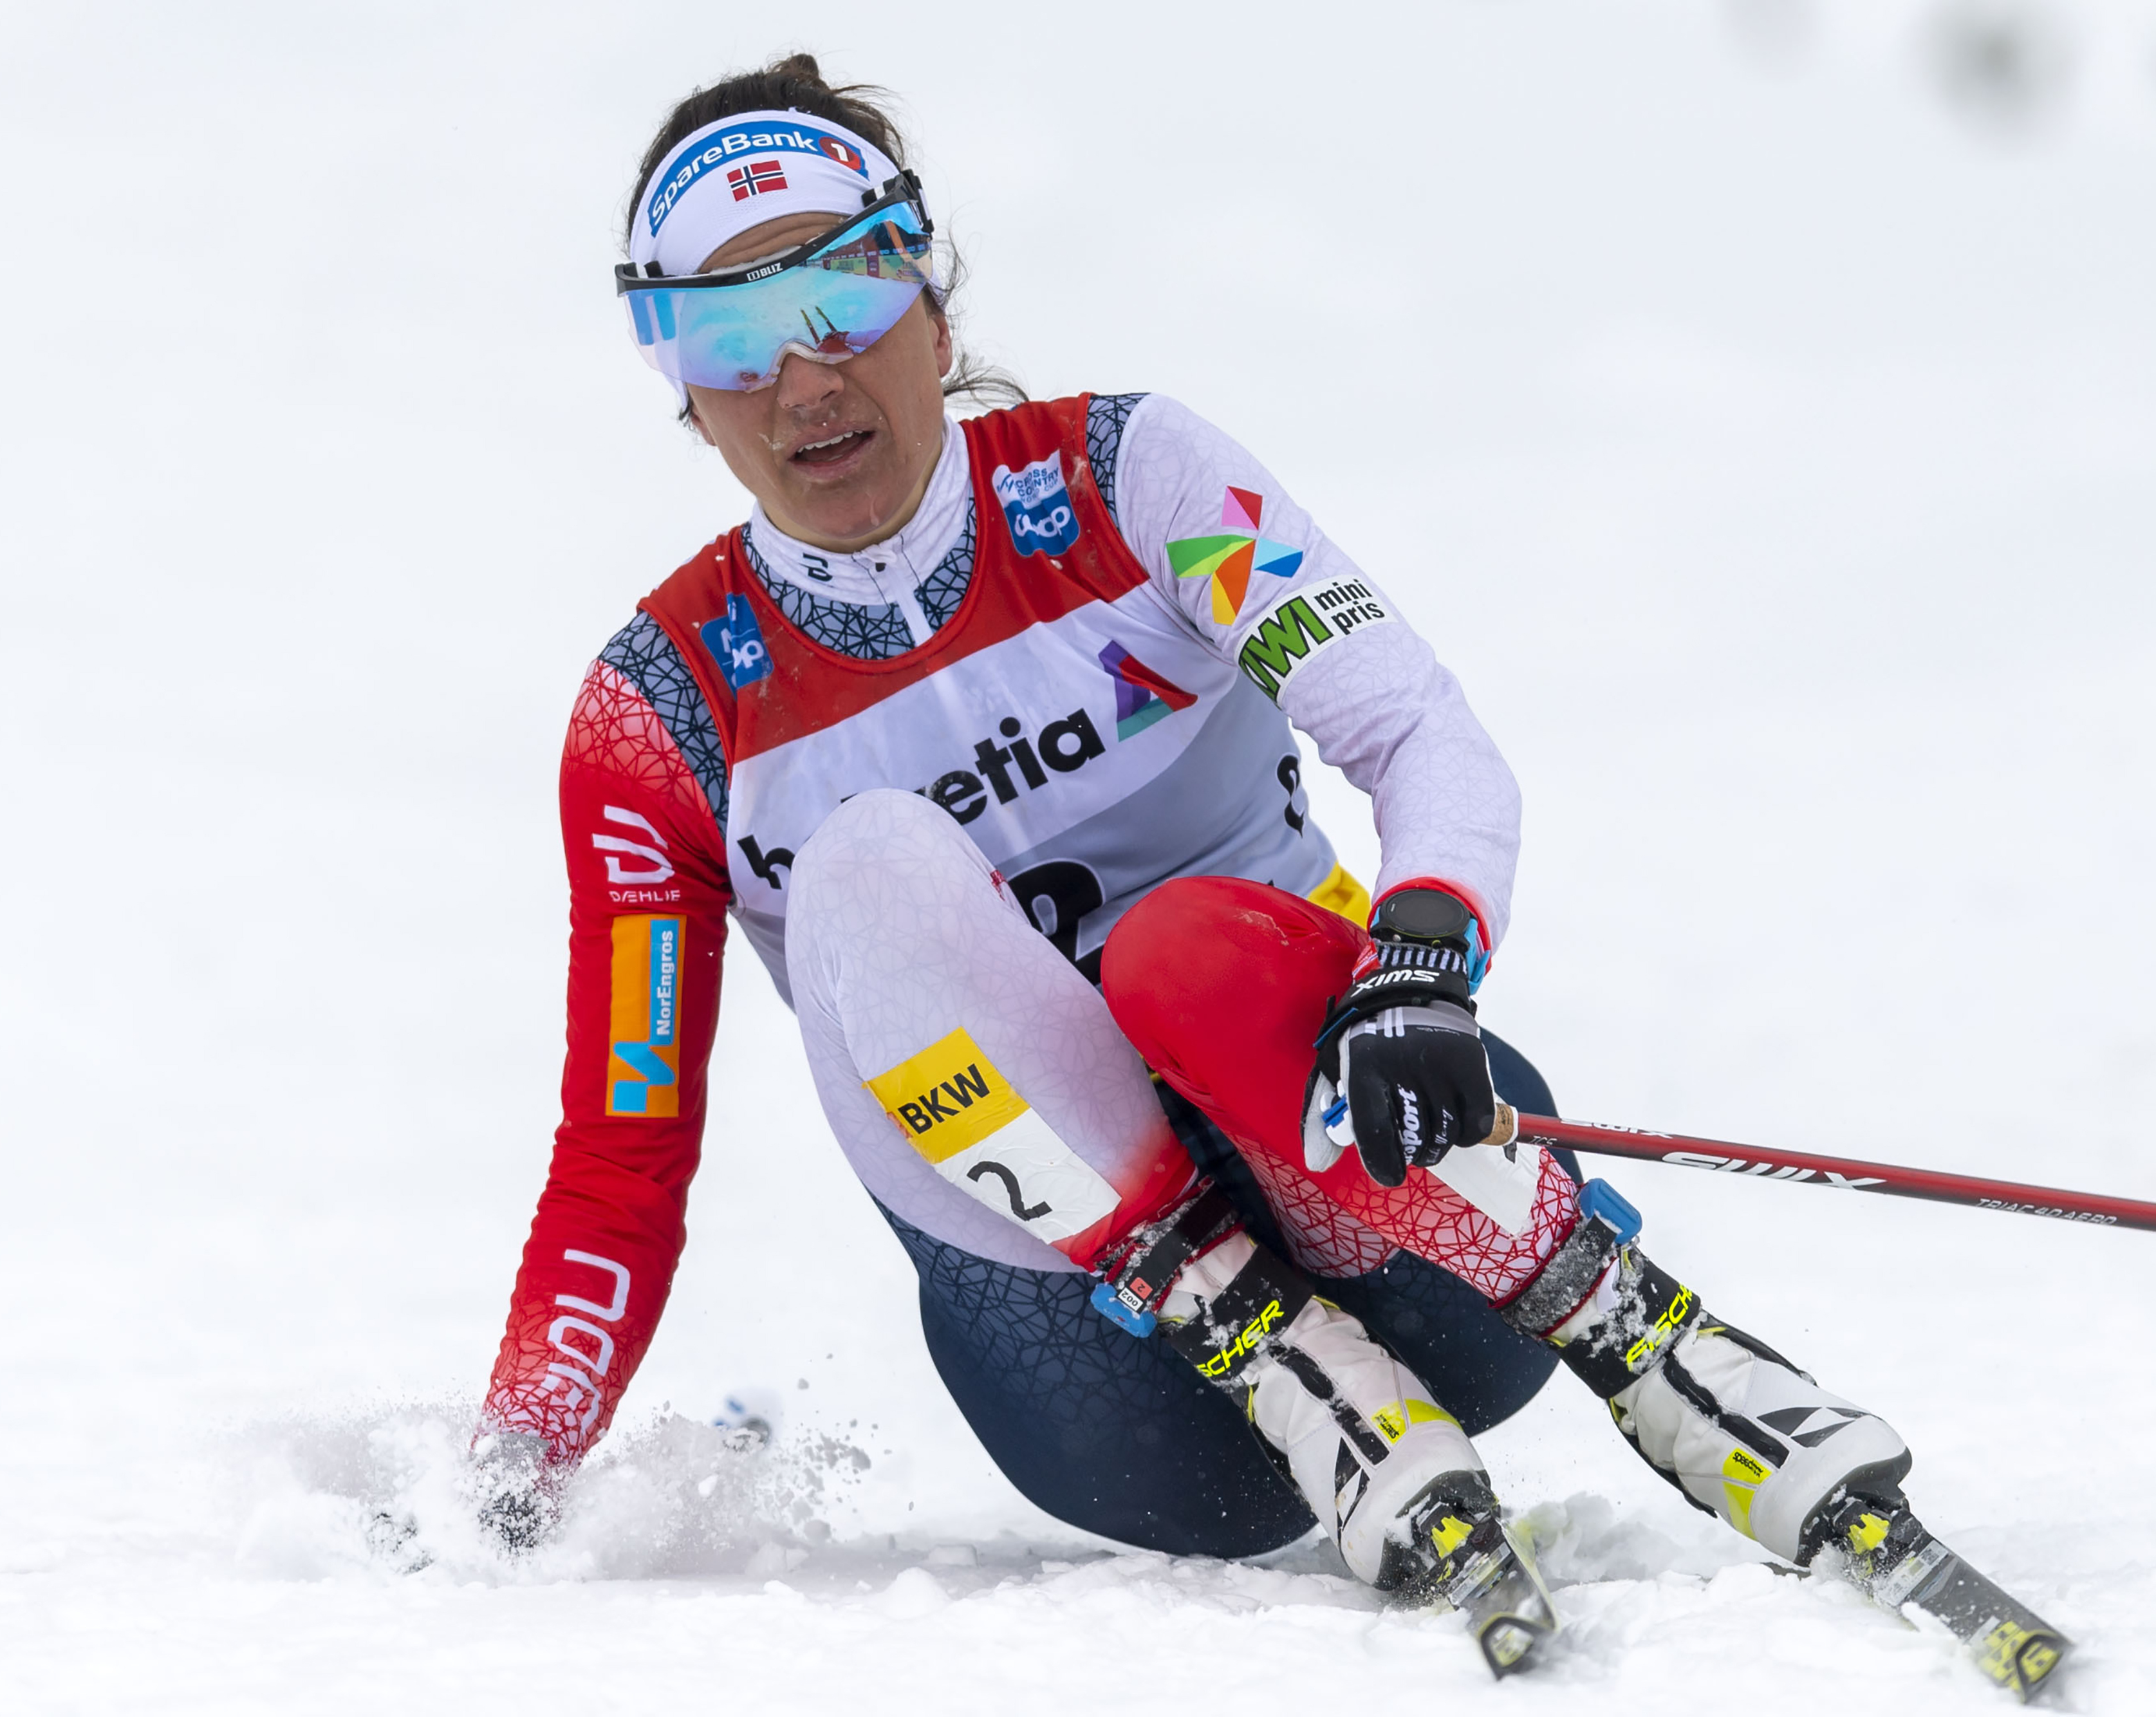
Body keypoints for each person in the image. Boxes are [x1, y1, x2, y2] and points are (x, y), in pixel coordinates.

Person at [475, 55, 1967, 1681]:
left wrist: (1419, 960)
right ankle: (1245, 1332)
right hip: (1102, 1380)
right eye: (724, 332)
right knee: (867, 869)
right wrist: (505, 1476)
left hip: (1395, 1225)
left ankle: (1642, 1340)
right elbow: (622, 1156)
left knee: (1177, 946)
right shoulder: (661, 715)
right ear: (675, 383)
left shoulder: (1131, 480)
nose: (800, 372)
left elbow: (1421, 736)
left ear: (928, 288)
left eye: (842, 286)